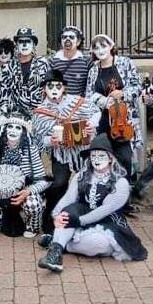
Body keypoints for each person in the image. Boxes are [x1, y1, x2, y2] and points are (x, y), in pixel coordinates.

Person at [38, 133, 148, 272]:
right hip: (81, 215)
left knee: (97, 244)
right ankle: (54, 256)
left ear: (110, 158)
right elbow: (68, 198)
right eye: (93, 156)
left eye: (101, 156)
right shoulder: (81, 176)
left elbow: (104, 210)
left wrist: (78, 221)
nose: (96, 159)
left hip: (108, 223)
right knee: (67, 213)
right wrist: (56, 216)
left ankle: (58, 242)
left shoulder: (120, 182)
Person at [33, 69, 101, 237]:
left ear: (64, 87)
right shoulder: (41, 111)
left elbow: (97, 112)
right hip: (61, 153)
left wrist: (92, 123)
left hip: (82, 151)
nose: (54, 89)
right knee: (59, 184)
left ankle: (87, 220)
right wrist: (51, 140)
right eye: (50, 86)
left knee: (87, 184)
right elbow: (39, 137)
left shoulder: (77, 102)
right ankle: (51, 221)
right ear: (44, 89)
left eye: (58, 85)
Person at [0, 112, 49, 238]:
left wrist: (28, 192)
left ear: (23, 132)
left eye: (18, 128)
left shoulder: (31, 150)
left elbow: (43, 180)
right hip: (2, 199)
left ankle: (32, 225)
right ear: (4, 130)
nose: (13, 131)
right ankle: (4, 217)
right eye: (10, 126)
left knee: (33, 204)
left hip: (24, 196)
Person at [85, 34, 144, 180]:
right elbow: (88, 94)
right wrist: (104, 101)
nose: (100, 50)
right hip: (102, 119)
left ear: (111, 46)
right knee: (103, 155)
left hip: (123, 118)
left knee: (125, 157)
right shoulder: (93, 69)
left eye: (103, 46)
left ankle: (128, 188)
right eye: (96, 47)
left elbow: (137, 86)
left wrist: (123, 94)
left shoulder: (125, 62)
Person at [0, 28, 48, 115]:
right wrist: (5, 109)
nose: (24, 45)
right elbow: (4, 89)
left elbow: (48, 87)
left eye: (28, 41)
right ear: (17, 45)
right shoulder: (9, 65)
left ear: (34, 44)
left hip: (39, 113)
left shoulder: (43, 63)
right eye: (21, 42)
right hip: (16, 114)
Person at [49, 26, 91, 97]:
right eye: (64, 37)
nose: (67, 39)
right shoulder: (52, 60)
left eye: (71, 37)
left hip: (78, 104)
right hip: (57, 103)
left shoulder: (87, 61)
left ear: (78, 42)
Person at [0, 38, 15, 123]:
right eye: (0, 52)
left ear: (11, 53)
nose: (3, 54)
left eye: (6, 51)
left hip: (14, 110)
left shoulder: (17, 71)